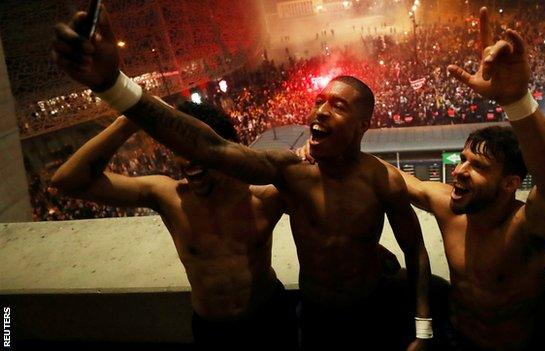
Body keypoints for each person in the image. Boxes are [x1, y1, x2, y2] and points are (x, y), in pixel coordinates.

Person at [52, 9, 431, 351]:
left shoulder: (382, 181)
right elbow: (211, 148)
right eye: (319, 101)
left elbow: (412, 249)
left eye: (338, 105)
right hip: (312, 318)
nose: (321, 110)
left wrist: (422, 325)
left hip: (364, 312)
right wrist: (114, 86)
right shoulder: (290, 175)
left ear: (364, 124)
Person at [297, 7, 545, 350]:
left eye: (478, 167)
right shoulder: (447, 207)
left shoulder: (529, 229)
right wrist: (323, 149)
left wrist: (517, 102)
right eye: (463, 160)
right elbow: (386, 175)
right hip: (452, 338)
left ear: (510, 184)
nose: (458, 171)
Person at [50, 102, 298, 350]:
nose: (188, 161)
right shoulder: (168, 197)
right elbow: (68, 181)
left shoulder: (265, 198)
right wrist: (131, 118)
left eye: (198, 152)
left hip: (268, 317)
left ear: (227, 150)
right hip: (213, 330)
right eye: (178, 150)